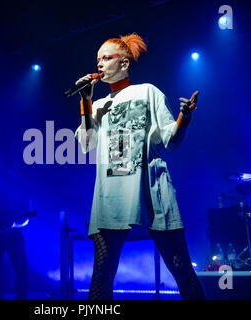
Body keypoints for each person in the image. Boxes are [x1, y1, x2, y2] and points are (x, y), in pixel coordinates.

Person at [74, 33, 205, 300]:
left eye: (106, 58)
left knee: (179, 266)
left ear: (124, 64)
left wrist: (184, 118)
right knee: (102, 271)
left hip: (151, 189)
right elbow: (86, 143)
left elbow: (170, 140)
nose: (99, 64)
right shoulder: (97, 105)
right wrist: (85, 101)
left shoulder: (148, 91)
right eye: (97, 59)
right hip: (110, 193)